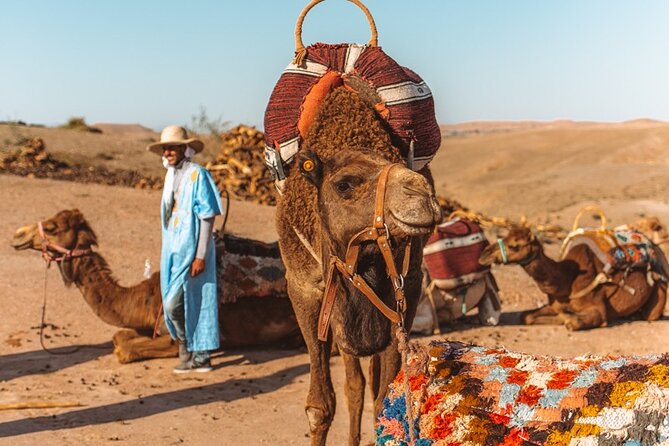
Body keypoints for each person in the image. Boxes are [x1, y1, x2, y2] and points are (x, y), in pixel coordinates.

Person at [147, 125, 224, 373]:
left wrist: (200, 255)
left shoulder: (197, 175)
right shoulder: (170, 177)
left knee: (189, 299)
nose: (168, 152)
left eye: (172, 147)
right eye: (165, 148)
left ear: (183, 148)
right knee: (171, 301)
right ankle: (187, 347)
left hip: (193, 249)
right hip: (173, 250)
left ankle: (199, 353)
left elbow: (207, 216)